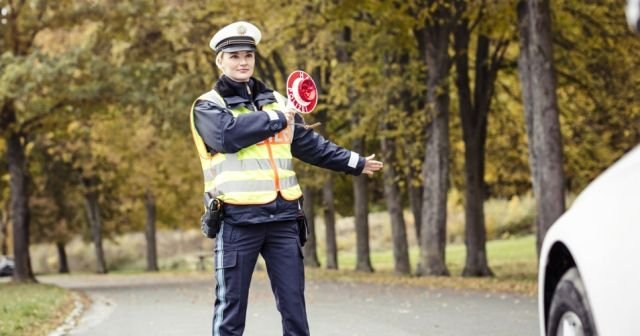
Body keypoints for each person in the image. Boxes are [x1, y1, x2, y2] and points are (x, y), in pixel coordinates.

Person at [189, 21, 383, 336]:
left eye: (248, 56)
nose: (242, 62)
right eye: (234, 56)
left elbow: (309, 145)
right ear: (220, 61)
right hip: (238, 221)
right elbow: (229, 136)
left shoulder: (279, 100)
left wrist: (354, 161)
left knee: (294, 308)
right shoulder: (209, 105)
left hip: (283, 219)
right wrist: (276, 118)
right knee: (231, 310)